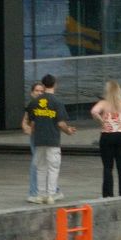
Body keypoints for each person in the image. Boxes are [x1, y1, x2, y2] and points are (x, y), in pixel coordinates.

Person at [23, 76, 75, 204]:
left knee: (40, 167)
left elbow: (32, 122)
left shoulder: (34, 102)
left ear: (44, 85)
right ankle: (51, 195)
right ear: (55, 85)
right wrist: (68, 131)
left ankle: (40, 195)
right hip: (53, 140)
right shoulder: (57, 102)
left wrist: (31, 132)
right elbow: (61, 123)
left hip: (39, 140)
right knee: (53, 167)